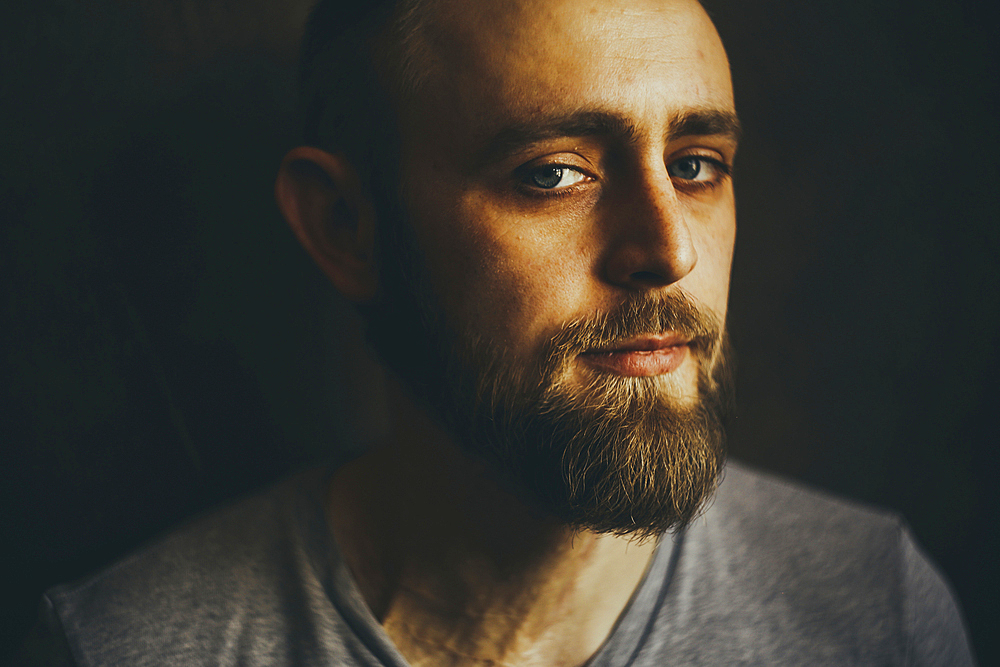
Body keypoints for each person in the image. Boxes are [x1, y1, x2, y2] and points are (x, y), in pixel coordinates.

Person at [18, 0, 975, 664]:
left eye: (695, 163)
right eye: (554, 172)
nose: (667, 249)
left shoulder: (870, 606)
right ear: (346, 226)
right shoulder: (117, 647)